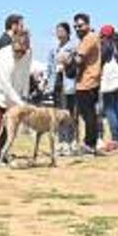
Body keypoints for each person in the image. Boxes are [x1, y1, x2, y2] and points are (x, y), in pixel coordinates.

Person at [0, 29, 33, 166]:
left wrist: (25, 96)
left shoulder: (28, 54)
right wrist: (20, 103)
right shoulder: (3, 56)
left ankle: (2, 153)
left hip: (10, 95)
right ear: (12, 45)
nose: (20, 55)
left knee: (9, 125)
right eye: (17, 51)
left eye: (23, 51)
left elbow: (25, 75)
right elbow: (5, 84)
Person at [72, 13, 103, 156]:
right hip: (90, 81)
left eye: (80, 25)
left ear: (88, 25)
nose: (77, 28)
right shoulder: (92, 37)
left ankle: (89, 144)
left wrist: (66, 60)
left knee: (88, 115)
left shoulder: (89, 38)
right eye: (76, 26)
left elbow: (78, 59)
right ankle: (90, 143)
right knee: (89, 114)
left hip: (87, 82)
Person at [98, 25, 118, 150]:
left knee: (109, 110)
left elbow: (101, 60)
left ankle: (116, 138)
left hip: (109, 82)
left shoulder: (105, 44)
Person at [47, 22, 78, 153]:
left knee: (69, 113)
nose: (59, 33)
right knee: (57, 114)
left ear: (67, 32)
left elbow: (76, 64)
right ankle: (61, 140)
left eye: (61, 30)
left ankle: (70, 140)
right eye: (57, 30)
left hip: (69, 83)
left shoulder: (73, 47)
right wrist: (49, 84)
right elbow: (50, 68)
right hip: (57, 84)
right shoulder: (53, 49)